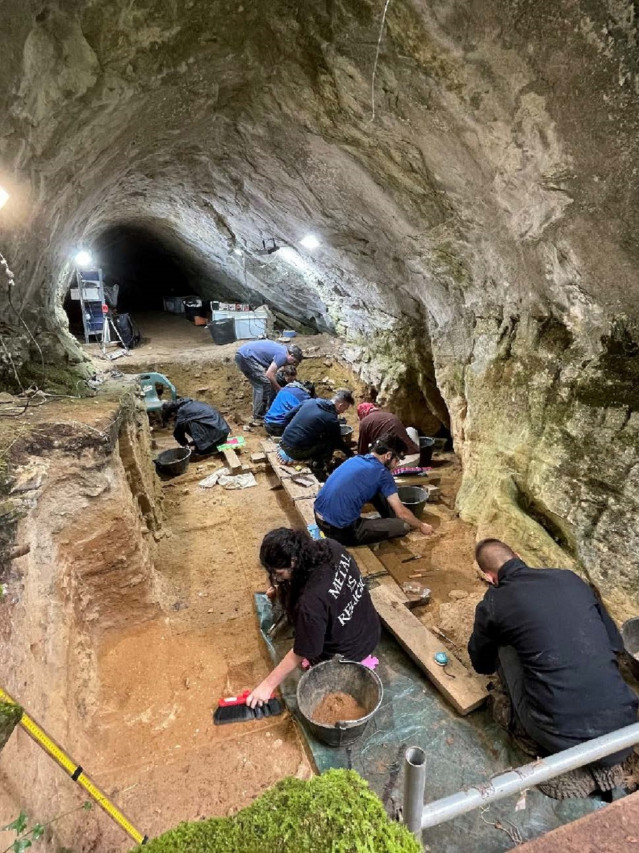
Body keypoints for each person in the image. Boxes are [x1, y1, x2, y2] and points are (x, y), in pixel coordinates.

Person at [468, 539, 638, 797]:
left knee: (503, 646)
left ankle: (548, 748)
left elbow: (480, 663)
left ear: (490, 577)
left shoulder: (494, 602)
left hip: (559, 736)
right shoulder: (569, 578)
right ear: (518, 554)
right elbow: (615, 643)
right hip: (625, 726)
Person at [246, 528, 381, 709]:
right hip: (369, 627)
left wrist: (267, 685)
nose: (275, 578)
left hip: (349, 653)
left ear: (293, 561)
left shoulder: (310, 603)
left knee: (308, 633)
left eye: (278, 573)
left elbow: (302, 650)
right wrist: (280, 586)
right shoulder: (330, 546)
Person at [313, 433, 434, 545]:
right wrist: (421, 525)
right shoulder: (382, 474)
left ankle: (385, 520)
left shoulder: (356, 459)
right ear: (388, 455)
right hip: (340, 531)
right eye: (397, 460)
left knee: (378, 490)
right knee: (402, 526)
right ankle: (375, 525)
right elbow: (401, 513)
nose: (397, 464)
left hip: (319, 518)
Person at [278, 389, 355, 476]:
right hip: (295, 451)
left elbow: (288, 416)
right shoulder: (331, 419)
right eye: (345, 409)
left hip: (283, 441)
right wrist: (351, 454)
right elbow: (338, 442)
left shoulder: (310, 401)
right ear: (340, 405)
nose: (343, 412)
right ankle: (319, 467)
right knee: (329, 442)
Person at [235, 340, 303, 421]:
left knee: (259, 385)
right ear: (291, 355)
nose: (293, 365)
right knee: (264, 384)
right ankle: (259, 415)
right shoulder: (283, 356)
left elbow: (271, 370)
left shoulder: (283, 350)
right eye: (294, 362)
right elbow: (269, 374)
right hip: (246, 357)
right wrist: (278, 388)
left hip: (243, 355)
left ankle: (258, 413)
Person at [162, 398, 230, 455]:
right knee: (188, 423)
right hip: (223, 431)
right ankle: (207, 442)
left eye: (172, 420)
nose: (173, 422)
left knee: (186, 425)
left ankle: (208, 445)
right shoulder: (189, 404)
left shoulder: (182, 412)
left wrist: (185, 444)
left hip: (217, 435)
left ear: (173, 413)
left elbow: (178, 433)